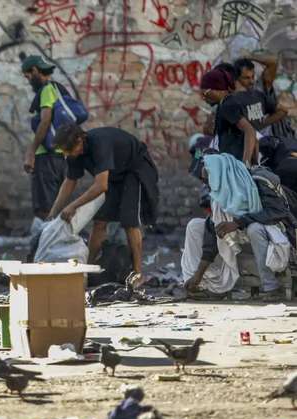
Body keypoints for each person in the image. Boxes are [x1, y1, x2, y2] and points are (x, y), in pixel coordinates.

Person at [48, 124, 159, 286]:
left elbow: (101, 185)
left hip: (135, 170)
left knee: (129, 221)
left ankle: (138, 274)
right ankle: (87, 269)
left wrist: (73, 206)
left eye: (70, 150)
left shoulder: (100, 143)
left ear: (81, 139)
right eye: (63, 152)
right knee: (100, 222)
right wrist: (53, 213)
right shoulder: (72, 153)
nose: (69, 154)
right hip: (114, 176)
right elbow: (70, 181)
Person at [183, 162, 294, 302]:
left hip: (273, 232)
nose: (208, 186)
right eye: (206, 182)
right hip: (240, 239)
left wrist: (238, 223)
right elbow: (212, 231)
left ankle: (271, 287)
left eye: (210, 180)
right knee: (195, 226)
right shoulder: (220, 197)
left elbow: (277, 211)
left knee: (255, 229)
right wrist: (198, 275)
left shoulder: (259, 181)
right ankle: (206, 285)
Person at [21, 55, 69, 220]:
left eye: (28, 77)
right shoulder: (58, 89)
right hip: (59, 156)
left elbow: (45, 120)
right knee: (55, 207)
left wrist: (31, 151)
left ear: (34, 70)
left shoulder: (48, 90)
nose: (28, 81)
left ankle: (48, 245)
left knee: (45, 210)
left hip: (46, 158)